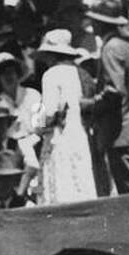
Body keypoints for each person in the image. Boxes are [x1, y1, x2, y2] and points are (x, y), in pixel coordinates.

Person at [87, 0, 129, 195]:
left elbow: (115, 91)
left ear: (100, 23)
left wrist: (91, 105)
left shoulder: (111, 48)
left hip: (121, 134)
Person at [34, 29, 96, 204]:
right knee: (82, 181)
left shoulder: (51, 75)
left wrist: (37, 125)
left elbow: (50, 111)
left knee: (62, 183)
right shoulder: (83, 74)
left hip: (61, 138)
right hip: (82, 136)